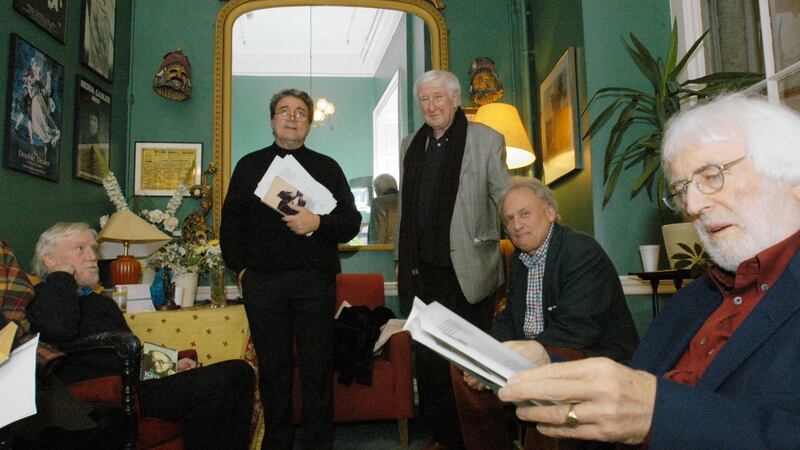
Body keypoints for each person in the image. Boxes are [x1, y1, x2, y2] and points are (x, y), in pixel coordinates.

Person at [495, 94, 800, 448]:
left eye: (712, 176)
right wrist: (547, 357)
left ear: (791, 177)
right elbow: (633, 381)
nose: (693, 205)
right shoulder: (696, 299)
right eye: (681, 189)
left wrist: (657, 413)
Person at [25, 223, 255, 450]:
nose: (92, 256)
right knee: (219, 382)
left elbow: (130, 350)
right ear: (50, 260)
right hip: (102, 391)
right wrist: (61, 276)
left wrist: (169, 365)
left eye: (93, 249)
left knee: (239, 372)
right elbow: (59, 329)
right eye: (80, 249)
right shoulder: (39, 297)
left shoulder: (101, 302)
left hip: (135, 384)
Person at [220, 88, 361, 449]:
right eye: (284, 111)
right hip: (263, 285)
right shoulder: (250, 166)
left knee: (316, 371)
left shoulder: (328, 167)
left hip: (315, 282)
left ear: (309, 123)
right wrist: (242, 273)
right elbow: (230, 226)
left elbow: (351, 222)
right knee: (273, 372)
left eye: (300, 112)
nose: (292, 117)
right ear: (272, 121)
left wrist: (317, 222)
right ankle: (277, 443)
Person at [457, 176, 639, 449]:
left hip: (588, 354)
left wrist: (522, 357)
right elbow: (509, 318)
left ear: (550, 212)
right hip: (539, 351)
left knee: (544, 370)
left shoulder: (580, 250)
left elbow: (579, 328)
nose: (516, 226)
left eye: (524, 214)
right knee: (463, 366)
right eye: (508, 219)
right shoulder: (519, 260)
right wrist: (487, 355)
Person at [397, 70, 510, 449]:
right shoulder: (410, 145)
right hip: (422, 274)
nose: (431, 106)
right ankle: (444, 439)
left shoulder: (486, 140)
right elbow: (406, 211)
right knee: (429, 364)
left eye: (438, 98)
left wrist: (531, 225)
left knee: (471, 363)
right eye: (424, 100)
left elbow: (504, 196)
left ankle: (480, 441)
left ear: (455, 99)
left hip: (470, 271)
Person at [83, 0, 114, 79]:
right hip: (96, 50)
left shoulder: (108, 8)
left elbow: (109, 32)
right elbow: (93, 27)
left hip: (104, 54)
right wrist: (97, 45)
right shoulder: (95, 3)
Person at [367, 173, 398, 244]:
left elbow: (376, 234)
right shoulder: (405, 200)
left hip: (386, 251)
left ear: (378, 189)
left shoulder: (377, 203)